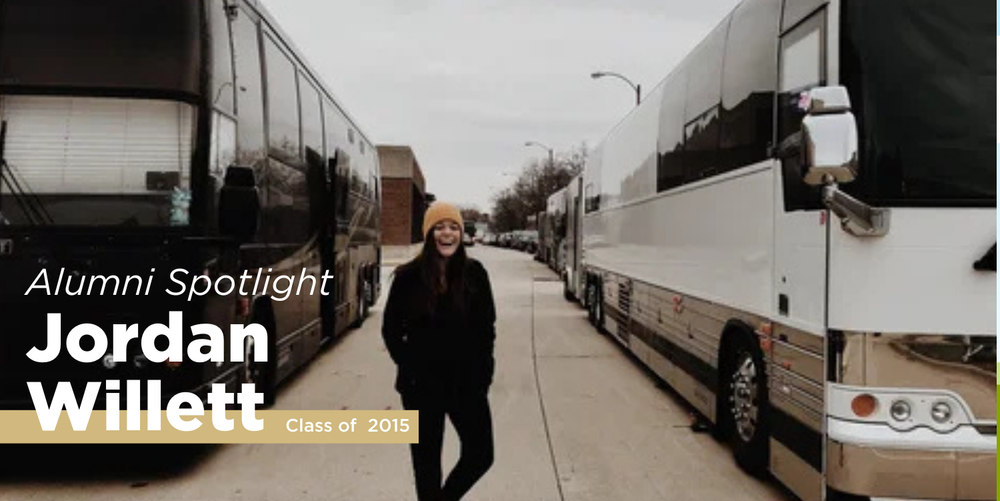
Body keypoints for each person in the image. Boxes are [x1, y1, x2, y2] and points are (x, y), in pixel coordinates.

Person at [382, 202, 497, 501]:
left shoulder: (475, 274)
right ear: (428, 233)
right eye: (439, 227)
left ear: (461, 233)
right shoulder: (408, 277)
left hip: (466, 385)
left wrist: (483, 374)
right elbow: (391, 330)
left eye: (453, 227)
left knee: (481, 455)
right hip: (421, 387)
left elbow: (487, 330)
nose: (447, 233)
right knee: (427, 466)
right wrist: (410, 367)